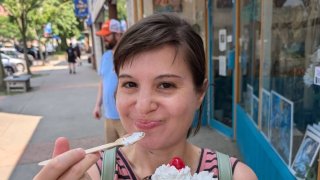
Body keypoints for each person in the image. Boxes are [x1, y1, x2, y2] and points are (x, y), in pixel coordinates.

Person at [34, 13, 257, 180]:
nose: (143, 106)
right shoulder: (92, 175)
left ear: (200, 93)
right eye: (130, 84)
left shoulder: (235, 176)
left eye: (166, 85)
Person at [93, 19, 127, 143]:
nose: (104, 38)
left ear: (117, 34)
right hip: (109, 117)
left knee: (129, 157)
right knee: (111, 155)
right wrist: (97, 105)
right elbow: (103, 83)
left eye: (107, 35)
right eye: (103, 36)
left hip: (125, 118)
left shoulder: (127, 56)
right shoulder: (105, 56)